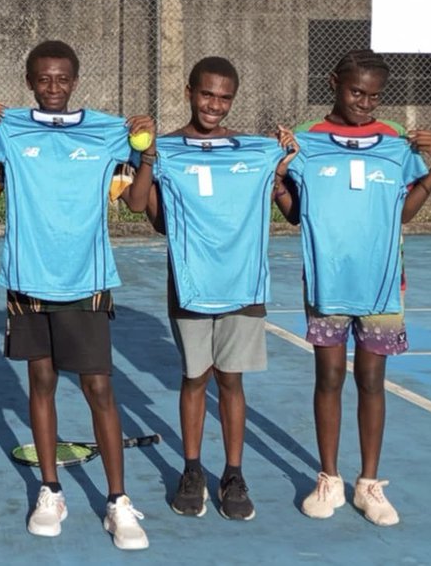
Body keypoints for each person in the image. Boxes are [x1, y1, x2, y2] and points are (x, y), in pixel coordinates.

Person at [0, 39, 150, 550]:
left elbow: (138, 193)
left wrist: (145, 143)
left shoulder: (109, 130)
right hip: (28, 281)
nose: (53, 87)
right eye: (43, 78)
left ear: (75, 81)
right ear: (29, 80)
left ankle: (118, 500)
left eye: (62, 78)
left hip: (87, 281)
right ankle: (51, 490)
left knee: (98, 389)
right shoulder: (6, 130)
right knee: (41, 383)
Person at [277, 49, 431, 527]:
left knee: (372, 381)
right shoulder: (307, 140)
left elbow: (403, 213)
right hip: (328, 283)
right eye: (356, 92)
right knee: (328, 378)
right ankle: (328, 476)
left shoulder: (395, 141)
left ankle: (368, 483)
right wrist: (281, 175)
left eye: (374, 96)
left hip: (382, 285)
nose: (365, 103)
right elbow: (294, 212)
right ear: (333, 81)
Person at [125, 57, 288, 521]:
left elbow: (287, 201)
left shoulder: (255, 152)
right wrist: (149, 158)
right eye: (206, 94)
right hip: (190, 284)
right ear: (188, 91)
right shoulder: (167, 148)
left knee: (230, 379)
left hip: (243, 284)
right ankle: (192, 469)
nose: (214, 104)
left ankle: (233, 473)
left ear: (232, 99)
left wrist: (280, 167)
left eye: (224, 97)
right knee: (195, 378)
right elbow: (141, 208)